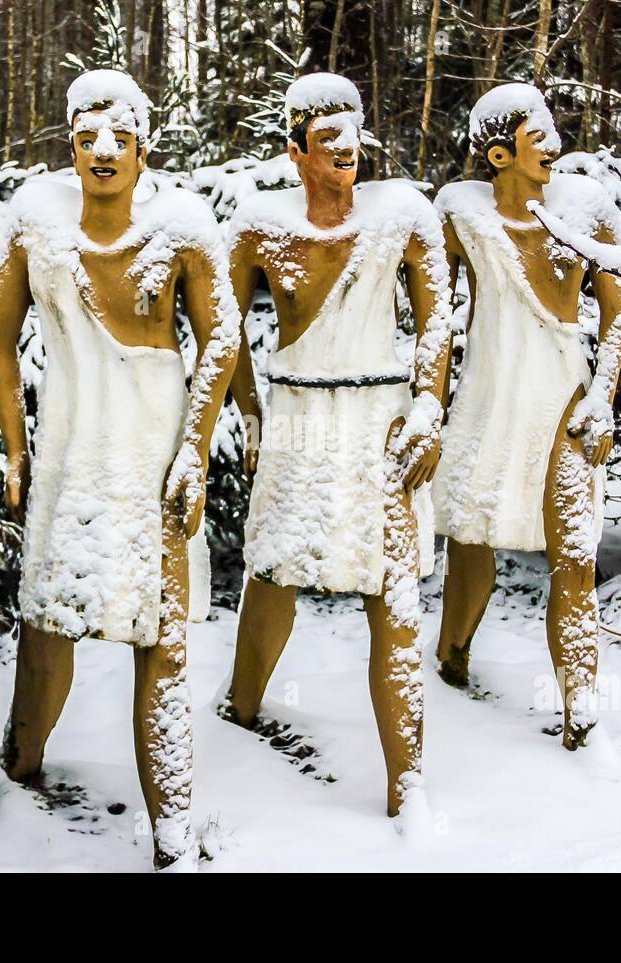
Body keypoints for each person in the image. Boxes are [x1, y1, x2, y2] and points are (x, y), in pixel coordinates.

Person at [0, 69, 240, 869]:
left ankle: (172, 829)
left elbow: (222, 339)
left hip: (153, 460)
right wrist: (18, 446)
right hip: (68, 453)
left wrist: (195, 448)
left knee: (161, 642)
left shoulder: (183, 227)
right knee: (48, 624)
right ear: (69, 141)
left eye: (119, 138)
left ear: (142, 145)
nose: (103, 151)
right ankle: (16, 768)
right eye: (89, 136)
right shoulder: (34, 223)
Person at [223, 73, 453, 823]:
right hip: (296, 421)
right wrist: (251, 409)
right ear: (295, 149)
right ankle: (241, 710)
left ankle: (408, 785)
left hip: (380, 423)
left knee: (393, 595)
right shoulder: (258, 225)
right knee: (273, 570)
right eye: (326, 138)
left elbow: (437, 320)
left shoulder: (404, 216)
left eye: (352, 133)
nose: (346, 147)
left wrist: (428, 405)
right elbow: (221, 329)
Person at [431, 83, 621, 750]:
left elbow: (619, 311)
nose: (552, 143)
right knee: (470, 550)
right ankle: (451, 657)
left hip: (564, 405)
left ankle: (582, 714)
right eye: (535, 134)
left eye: (550, 129)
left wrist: (603, 397)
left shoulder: (586, 211)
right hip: (488, 403)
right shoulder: (459, 214)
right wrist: (424, 404)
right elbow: (436, 324)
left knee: (574, 558)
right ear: (497, 153)